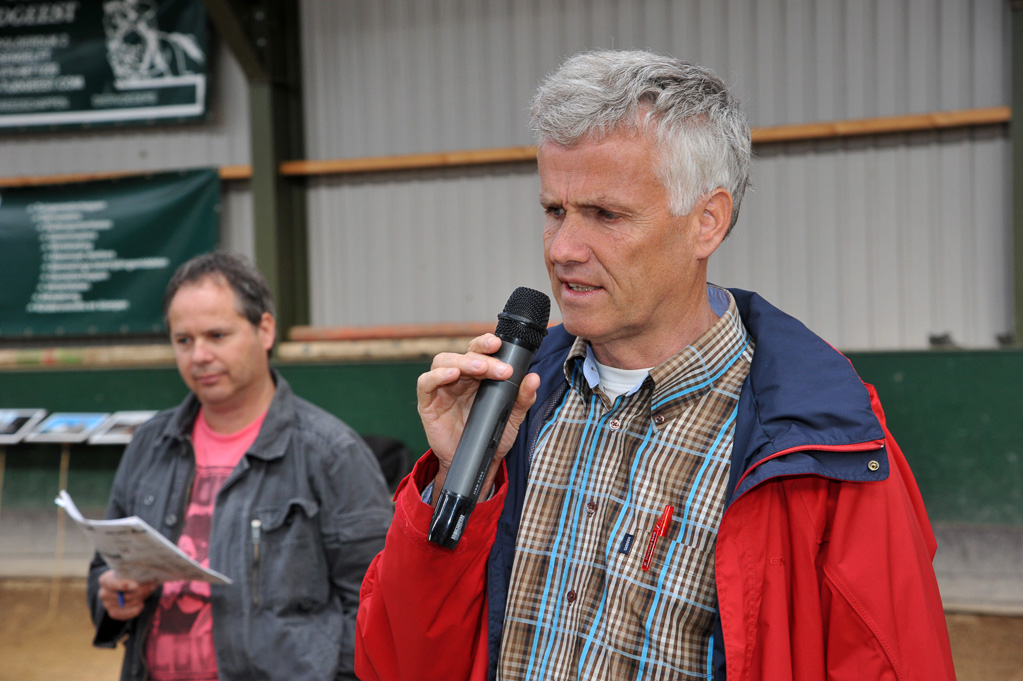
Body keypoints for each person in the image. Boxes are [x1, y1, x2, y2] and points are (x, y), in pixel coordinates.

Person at [355, 50, 956, 681]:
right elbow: (392, 659)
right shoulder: (514, 405)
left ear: (707, 222)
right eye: (554, 211)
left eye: (605, 215)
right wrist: (457, 481)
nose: (562, 249)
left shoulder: (822, 442)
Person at [87, 251, 393, 681]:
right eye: (184, 340)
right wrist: (113, 597)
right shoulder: (149, 445)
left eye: (217, 335)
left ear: (264, 329)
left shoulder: (331, 452)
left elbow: (378, 605)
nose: (199, 356)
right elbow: (104, 569)